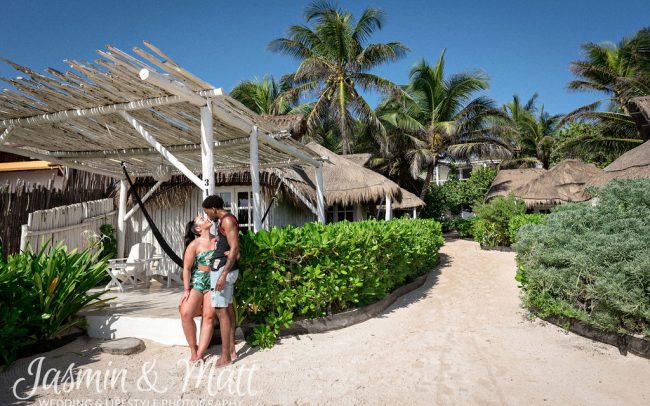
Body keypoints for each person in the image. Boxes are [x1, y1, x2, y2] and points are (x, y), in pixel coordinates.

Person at [202, 195, 240, 367]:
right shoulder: (223, 221)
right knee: (228, 309)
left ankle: (225, 356)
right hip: (222, 269)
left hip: (223, 271)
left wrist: (223, 274)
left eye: (207, 212)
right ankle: (231, 350)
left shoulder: (227, 221)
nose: (207, 216)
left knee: (220, 311)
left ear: (214, 208)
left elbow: (235, 249)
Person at [178, 215, 217, 363]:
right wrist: (186, 290)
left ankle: (199, 354)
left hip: (214, 281)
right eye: (201, 218)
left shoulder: (218, 240)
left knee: (208, 317)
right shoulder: (194, 244)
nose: (206, 218)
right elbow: (186, 269)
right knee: (186, 313)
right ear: (198, 228)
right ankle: (193, 350)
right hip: (199, 280)